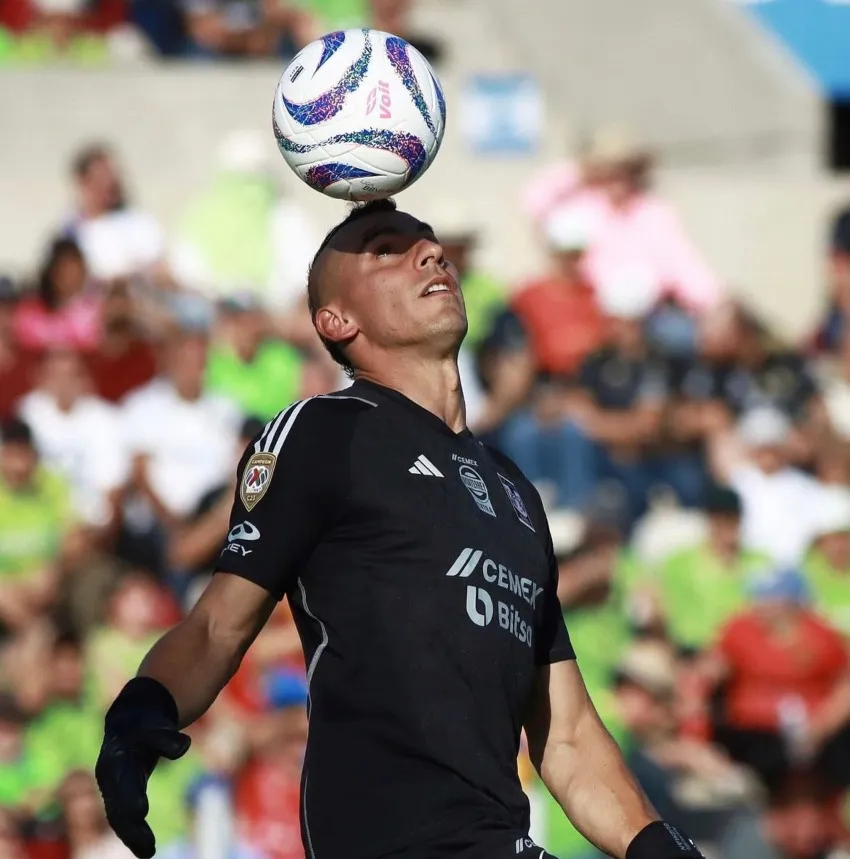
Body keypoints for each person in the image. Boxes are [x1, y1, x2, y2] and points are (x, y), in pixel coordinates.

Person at [95, 199, 704, 859]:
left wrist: (655, 847)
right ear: (337, 319)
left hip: (499, 840)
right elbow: (220, 622)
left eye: (430, 242)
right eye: (387, 248)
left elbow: (567, 734)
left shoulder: (514, 491)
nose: (430, 253)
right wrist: (141, 708)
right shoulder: (327, 430)